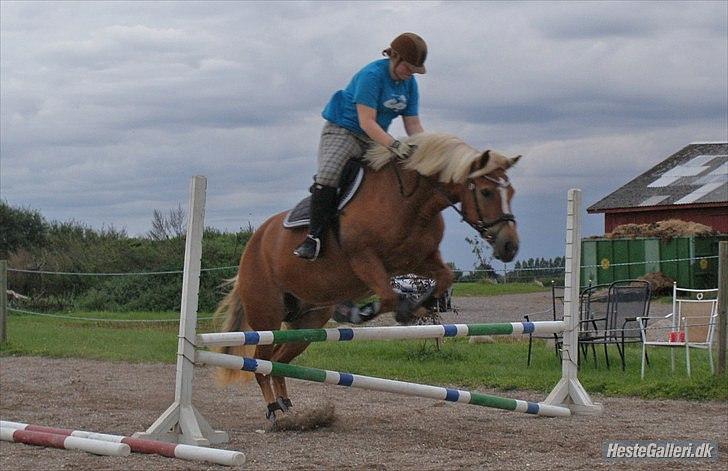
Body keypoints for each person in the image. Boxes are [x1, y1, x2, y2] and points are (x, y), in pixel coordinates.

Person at [294, 32, 429, 260]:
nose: (410, 74)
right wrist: (395, 146)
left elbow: (413, 124)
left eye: (414, 70)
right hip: (344, 131)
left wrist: (425, 150)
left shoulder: (409, 85)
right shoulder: (372, 76)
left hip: (375, 137)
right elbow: (367, 122)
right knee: (329, 175)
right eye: (408, 67)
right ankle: (313, 237)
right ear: (394, 57)